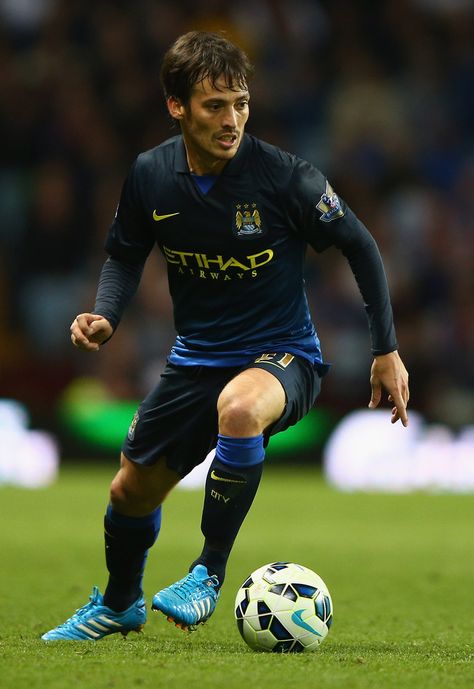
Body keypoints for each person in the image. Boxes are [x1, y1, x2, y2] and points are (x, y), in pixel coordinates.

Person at [42, 31, 409, 641]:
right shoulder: (150, 176)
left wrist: (385, 349)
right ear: (176, 106)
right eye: (215, 106)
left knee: (239, 410)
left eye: (240, 103)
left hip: (283, 357)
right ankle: (120, 602)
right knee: (129, 493)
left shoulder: (284, 177)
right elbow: (124, 254)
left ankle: (207, 574)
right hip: (195, 361)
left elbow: (361, 246)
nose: (232, 119)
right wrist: (107, 314)